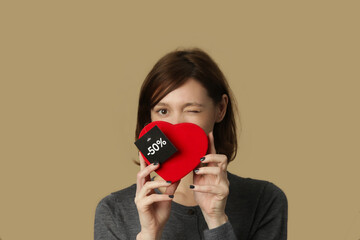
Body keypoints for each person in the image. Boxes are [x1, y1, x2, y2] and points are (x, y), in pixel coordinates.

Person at [94, 48, 288, 240]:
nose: (176, 125)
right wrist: (149, 234)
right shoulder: (113, 211)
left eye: (192, 110)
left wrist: (217, 220)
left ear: (220, 108)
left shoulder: (265, 200)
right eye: (163, 111)